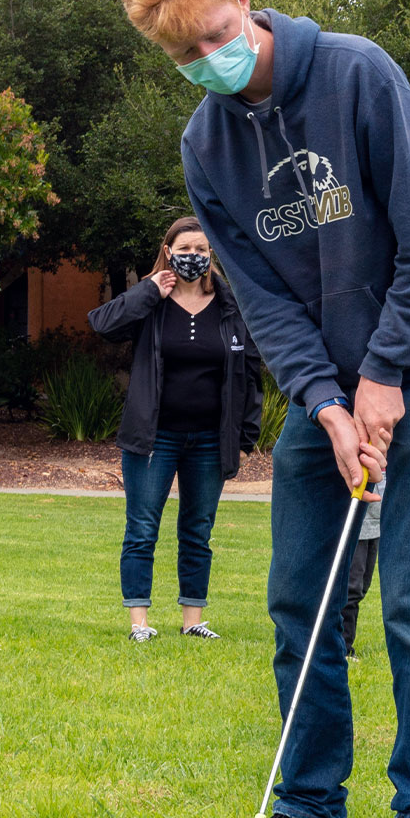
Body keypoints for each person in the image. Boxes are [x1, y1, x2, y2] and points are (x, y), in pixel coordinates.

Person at [119, 0, 410, 818]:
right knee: (298, 599)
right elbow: (265, 301)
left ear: (244, 2)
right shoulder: (208, 146)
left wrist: (385, 375)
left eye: (217, 36)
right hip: (326, 385)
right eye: (187, 57)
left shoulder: (360, 73)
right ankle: (309, 801)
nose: (210, 59)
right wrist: (325, 403)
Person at [88, 215, 262, 643]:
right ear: (168, 253)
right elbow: (102, 324)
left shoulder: (230, 304)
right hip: (153, 438)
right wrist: (150, 289)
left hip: (209, 439)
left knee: (198, 529)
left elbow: (251, 373)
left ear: (211, 255)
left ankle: (192, 619)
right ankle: (140, 623)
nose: (194, 257)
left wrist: (245, 436)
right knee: (142, 528)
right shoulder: (150, 303)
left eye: (202, 250)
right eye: (185, 250)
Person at [340, 480, 382, 661]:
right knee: (351, 589)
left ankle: (343, 644)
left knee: (362, 588)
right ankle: (343, 647)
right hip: (358, 524)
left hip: (377, 523)